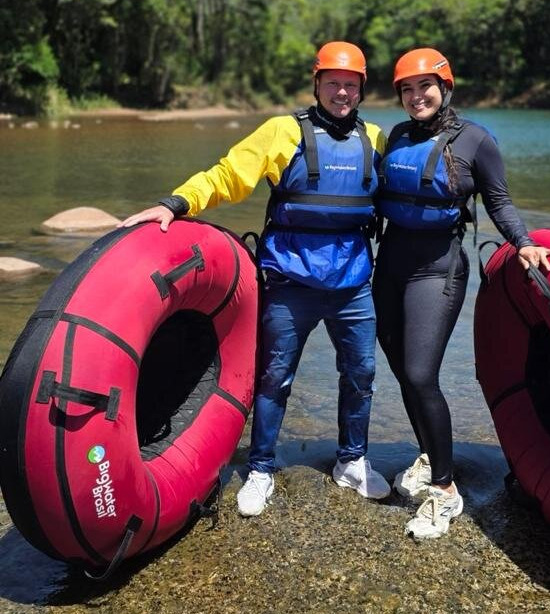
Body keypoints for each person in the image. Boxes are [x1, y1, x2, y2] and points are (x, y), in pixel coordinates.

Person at [120, 41, 391, 516]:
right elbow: (228, 176)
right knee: (274, 376)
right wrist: (175, 203)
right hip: (290, 279)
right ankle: (262, 467)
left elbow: (404, 195)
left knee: (361, 375)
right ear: (316, 84)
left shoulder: (376, 137)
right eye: (333, 83)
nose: (342, 92)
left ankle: (352, 460)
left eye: (351, 84)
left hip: (353, 283)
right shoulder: (281, 132)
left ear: (362, 88)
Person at [372, 47, 550, 540]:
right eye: (406, 90)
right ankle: (431, 454)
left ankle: (446, 490)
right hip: (389, 266)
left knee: (420, 373)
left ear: (445, 88)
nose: (416, 97)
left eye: (424, 88)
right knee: (401, 372)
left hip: (438, 270)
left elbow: (498, 198)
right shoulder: (397, 136)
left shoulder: (475, 140)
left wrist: (523, 243)